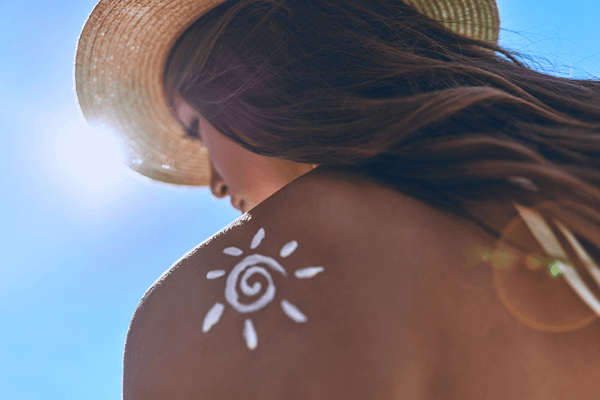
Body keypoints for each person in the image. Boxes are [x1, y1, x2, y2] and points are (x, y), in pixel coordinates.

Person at [75, 0, 600, 398]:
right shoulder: (574, 164)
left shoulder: (195, 310)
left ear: (249, 80)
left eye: (196, 128)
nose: (214, 182)